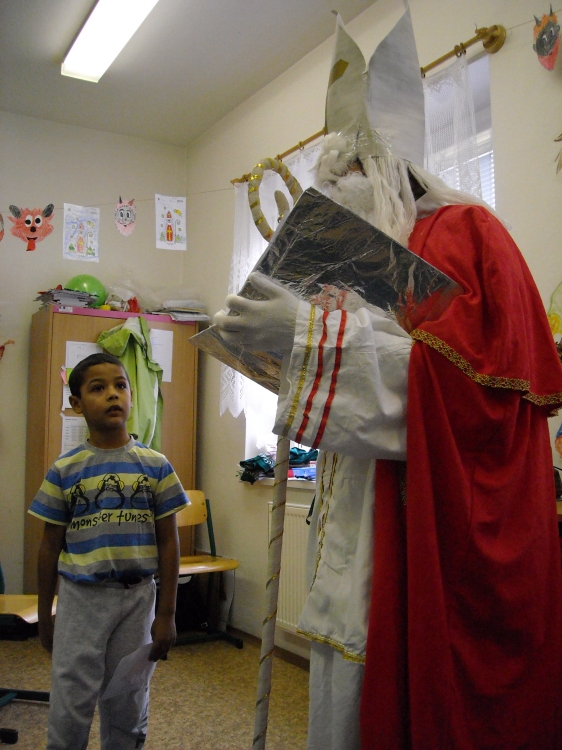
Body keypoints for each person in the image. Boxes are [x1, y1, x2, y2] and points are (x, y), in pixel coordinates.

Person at [214, 8, 562, 750]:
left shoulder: (469, 236)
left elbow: (471, 402)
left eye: (350, 169)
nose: (337, 186)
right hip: (350, 521)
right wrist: (276, 349)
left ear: (391, 169)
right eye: (329, 173)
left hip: (425, 537)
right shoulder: (355, 252)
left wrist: (305, 340)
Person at [29, 352, 188, 750]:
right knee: (71, 698)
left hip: (137, 598)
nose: (113, 395)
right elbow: (49, 547)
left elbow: (169, 543)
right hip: (81, 599)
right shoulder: (65, 469)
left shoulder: (156, 465)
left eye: (121, 386)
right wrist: (46, 615)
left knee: (128, 696)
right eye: (98, 388)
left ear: (131, 395)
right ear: (77, 404)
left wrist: (167, 614)